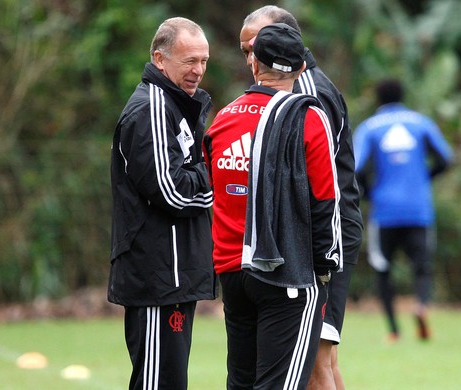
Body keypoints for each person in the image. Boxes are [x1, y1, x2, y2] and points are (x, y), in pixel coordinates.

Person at [203, 23, 342, 389]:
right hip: (287, 274)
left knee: (242, 382)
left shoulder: (223, 118)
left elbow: (217, 192)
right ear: (300, 69)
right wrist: (325, 267)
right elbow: (326, 199)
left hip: (232, 270)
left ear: (254, 64)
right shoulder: (308, 117)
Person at [238, 6, 364, 389]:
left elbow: (318, 185)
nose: (250, 60)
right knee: (321, 358)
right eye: (244, 50)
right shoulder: (294, 88)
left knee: (313, 360)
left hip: (319, 238)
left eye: (254, 48)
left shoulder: (304, 94)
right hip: (309, 236)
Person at [108, 17, 216, 390]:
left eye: (203, 61)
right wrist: (214, 173)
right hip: (159, 277)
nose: (198, 70)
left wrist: (202, 171)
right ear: (160, 58)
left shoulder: (174, 105)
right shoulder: (152, 109)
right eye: (189, 61)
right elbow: (173, 191)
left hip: (175, 275)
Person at [353, 78, 454, 343]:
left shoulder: (370, 127)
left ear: (378, 98)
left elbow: (356, 166)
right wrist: (425, 178)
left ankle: (393, 330)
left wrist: (367, 192)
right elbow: (446, 158)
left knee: (383, 269)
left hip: (384, 211)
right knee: (422, 266)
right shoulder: (421, 122)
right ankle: (421, 305)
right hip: (418, 208)